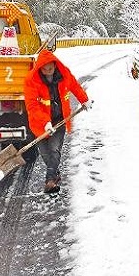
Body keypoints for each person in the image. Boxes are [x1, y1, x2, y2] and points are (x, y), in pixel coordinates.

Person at [24, 49, 91, 194]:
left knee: (54, 149)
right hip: (39, 123)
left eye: (50, 68)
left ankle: (50, 181)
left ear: (55, 65)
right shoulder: (31, 80)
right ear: (39, 67)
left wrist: (84, 100)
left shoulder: (64, 74)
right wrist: (45, 122)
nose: (48, 71)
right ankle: (55, 173)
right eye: (44, 68)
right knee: (45, 154)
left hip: (59, 120)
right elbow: (32, 106)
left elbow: (75, 86)